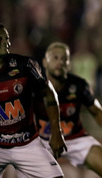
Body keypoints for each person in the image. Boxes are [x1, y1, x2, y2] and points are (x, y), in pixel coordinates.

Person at [35, 42, 102, 178]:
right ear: (45, 62)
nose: (60, 62)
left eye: (64, 59)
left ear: (69, 64)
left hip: (75, 138)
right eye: (55, 58)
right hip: (43, 140)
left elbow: (96, 110)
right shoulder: (35, 86)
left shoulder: (79, 85)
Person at [0, 24, 66, 178]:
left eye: (7, 39)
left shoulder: (25, 66)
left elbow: (49, 94)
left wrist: (56, 132)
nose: (7, 43)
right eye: (0, 39)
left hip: (27, 143)